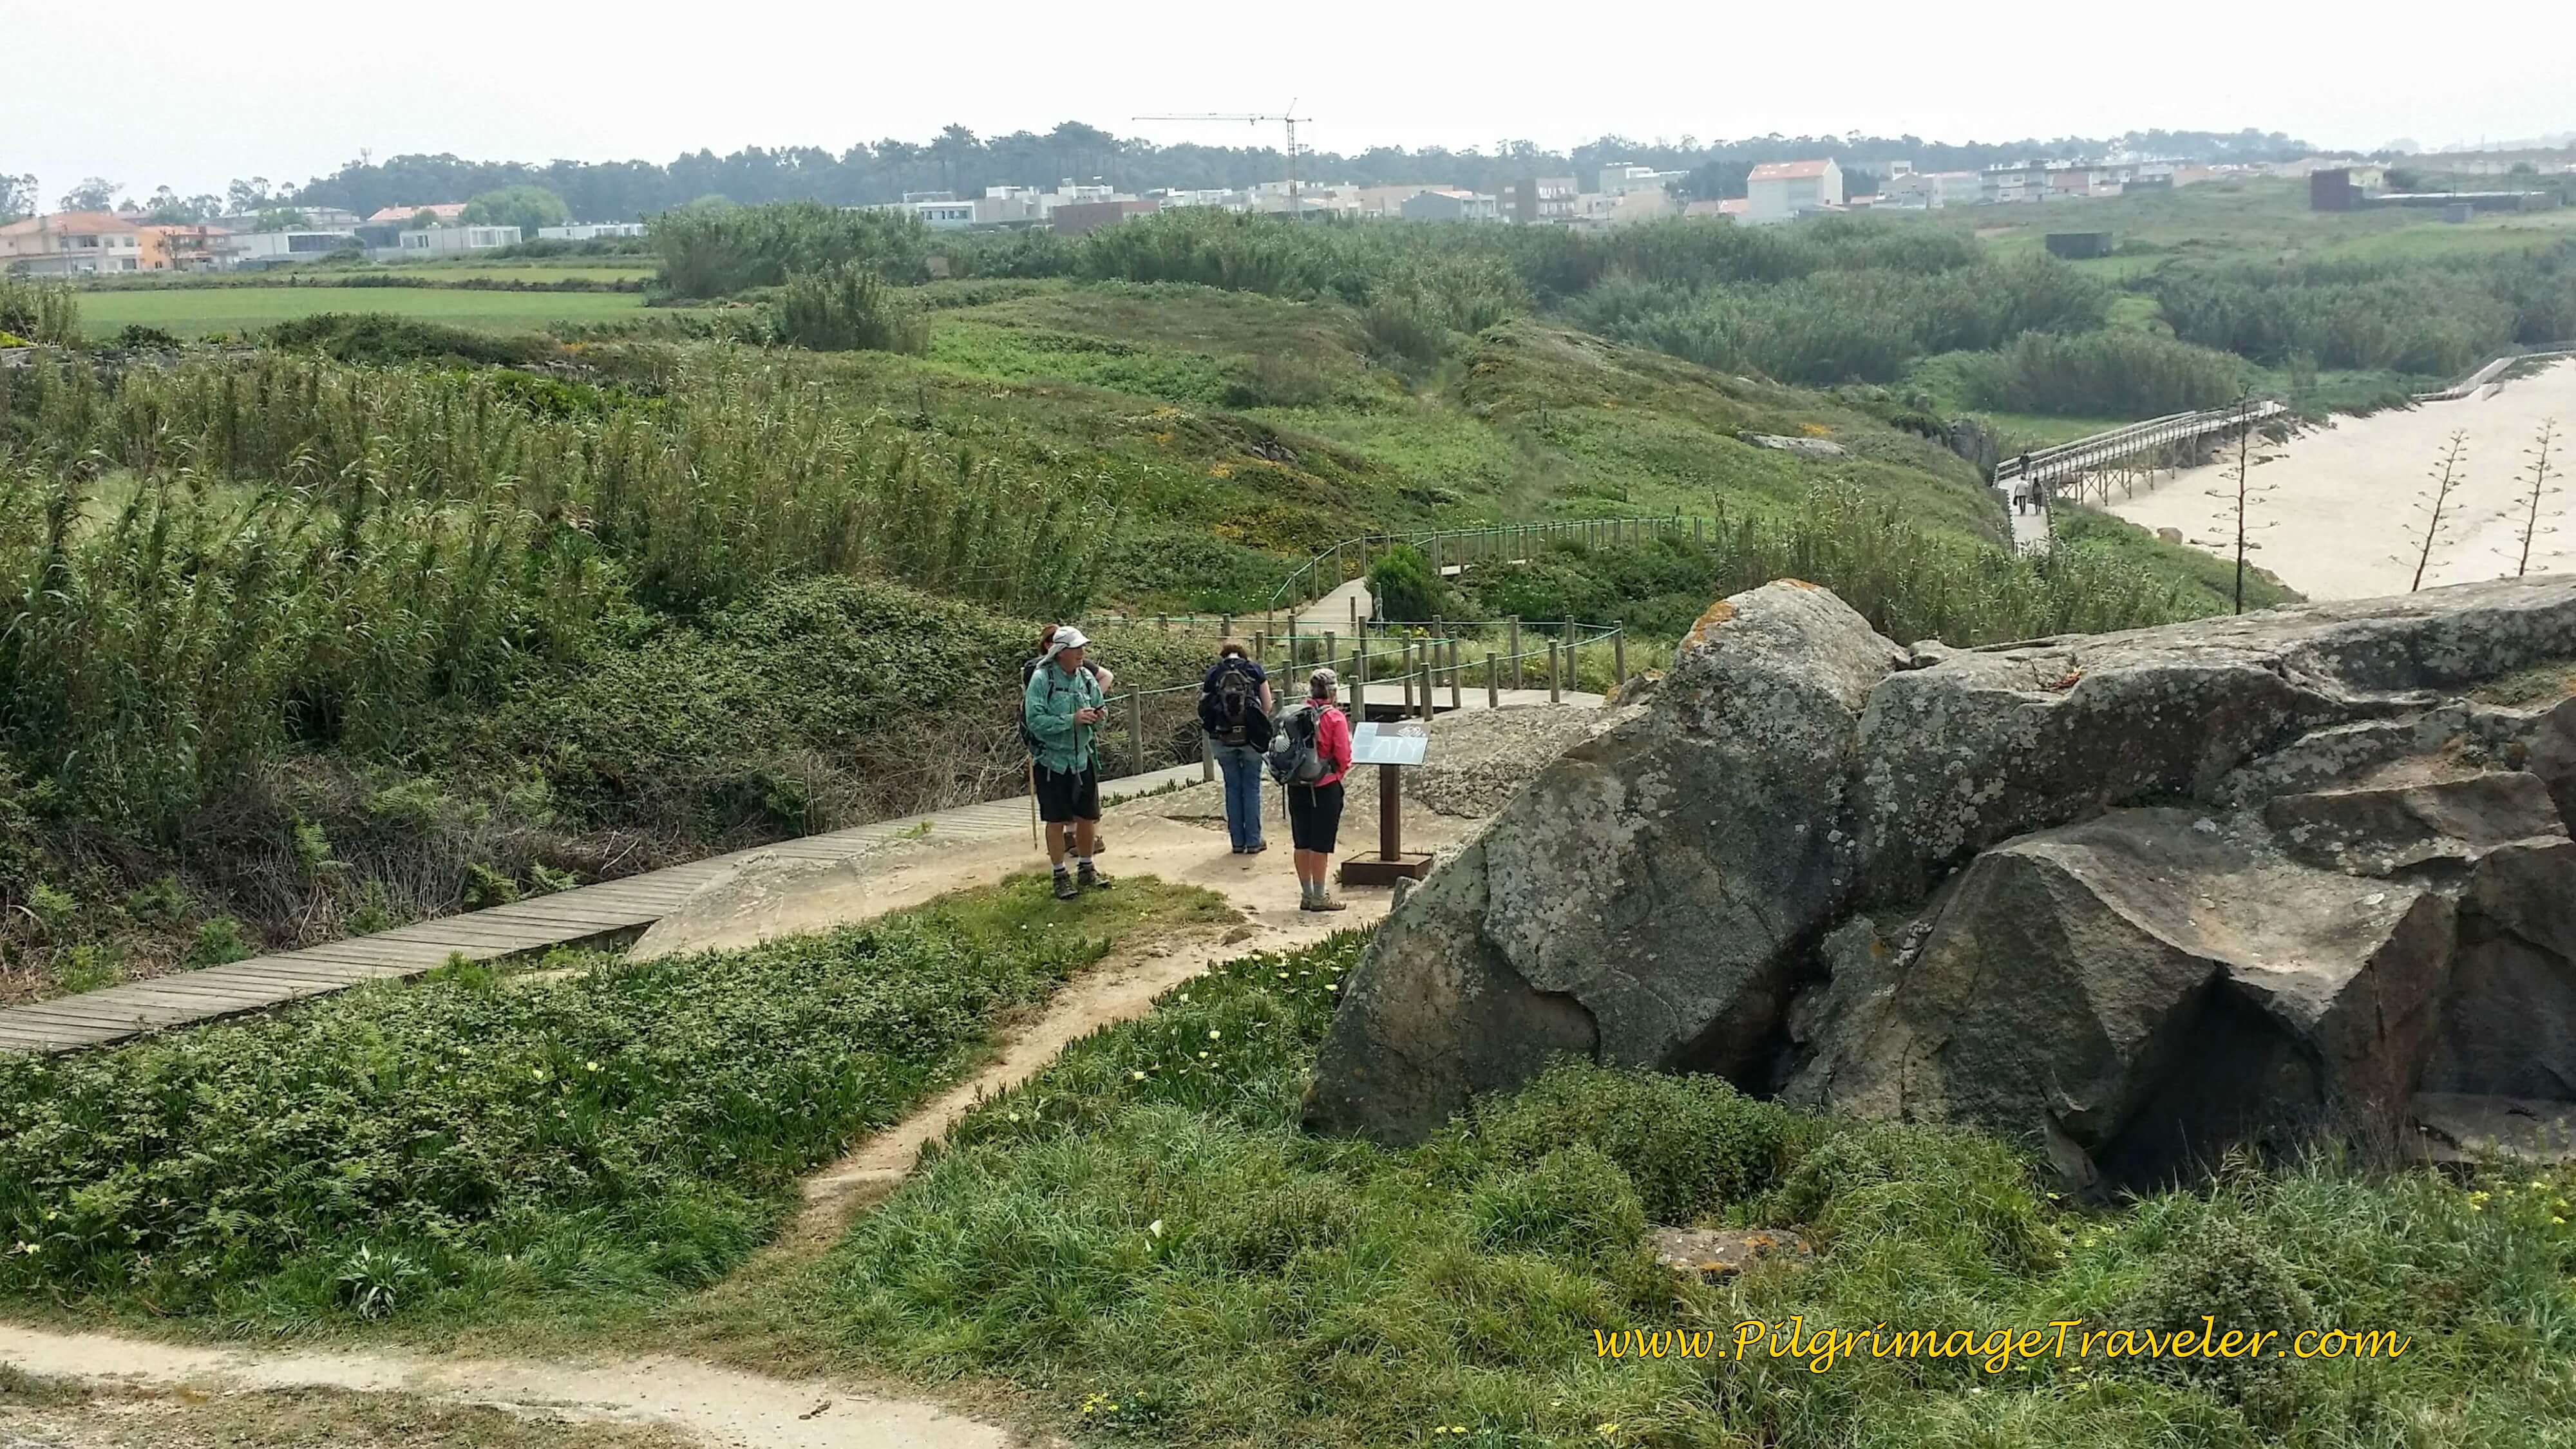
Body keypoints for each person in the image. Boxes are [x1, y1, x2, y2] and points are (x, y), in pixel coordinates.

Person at [1023, 625, 1113, 900]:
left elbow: (1102, 707)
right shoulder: (1041, 679)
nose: (1082, 653)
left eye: (1082, 648)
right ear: (1060, 652)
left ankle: (1087, 869)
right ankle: (1060, 874)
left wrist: (1098, 718)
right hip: (1052, 762)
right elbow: (1034, 721)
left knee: (1088, 816)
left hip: (1083, 758)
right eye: (1077, 648)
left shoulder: (1086, 677)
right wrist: (1071, 720)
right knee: (1056, 820)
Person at [1285, 667, 1353, 913]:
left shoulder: (1297, 713)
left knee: (1301, 841)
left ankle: (1305, 894)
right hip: (1325, 786)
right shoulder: (1334, 718)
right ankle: (1319, 896)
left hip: (1296, 784)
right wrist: (1337, 774)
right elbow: (1344, 755)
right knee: (1321, 844)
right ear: (1333, 691)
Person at [1199, 641, 1275, 855]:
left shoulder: (1214, 672)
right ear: (1243, 655)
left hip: (1222, 737)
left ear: (1223, 656)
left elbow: (1204, 707)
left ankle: (1237, 842)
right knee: (1251, 786)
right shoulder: (1254, 670)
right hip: (1251, 738)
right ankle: (1253, 841)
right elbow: (1267, 706)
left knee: (1232, 787)